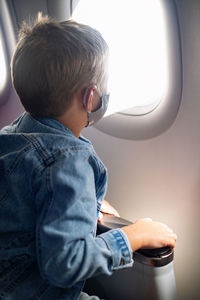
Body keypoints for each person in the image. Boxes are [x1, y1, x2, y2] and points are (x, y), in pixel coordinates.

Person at [0, 15, 177, 300]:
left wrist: (86, 204)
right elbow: (65, 263)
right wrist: (134, 236)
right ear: (91, 97)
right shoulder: (68, 161)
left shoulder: (14, 134)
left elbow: (31, 205)